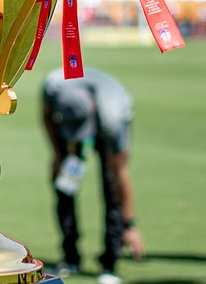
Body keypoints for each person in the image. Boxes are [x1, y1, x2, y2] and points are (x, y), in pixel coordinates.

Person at [41, 67, 145, 284]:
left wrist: (130, 225)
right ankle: (70, 257)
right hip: (78, 119)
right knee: (64, 185)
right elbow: (47, 115)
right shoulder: (52, 86)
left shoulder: (113, 119)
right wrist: (58, 154)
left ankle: (110, 263)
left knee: (110, 187)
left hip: (107, 122)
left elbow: (121, 174)